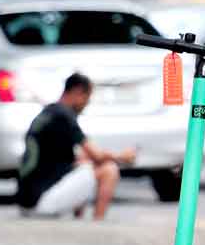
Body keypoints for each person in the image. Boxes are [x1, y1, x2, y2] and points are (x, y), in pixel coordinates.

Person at [17, 73, 136, 220]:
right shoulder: (65, 116)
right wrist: (123, 156)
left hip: (26, 201)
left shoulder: (48, 113)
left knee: (83, 166)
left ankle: (78, 220)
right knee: (108, 169)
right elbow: (96, 155)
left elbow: (76, 158)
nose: (86, 104)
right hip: (41, 202)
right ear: (77, 92)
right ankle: (98, 223)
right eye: (87, 98)